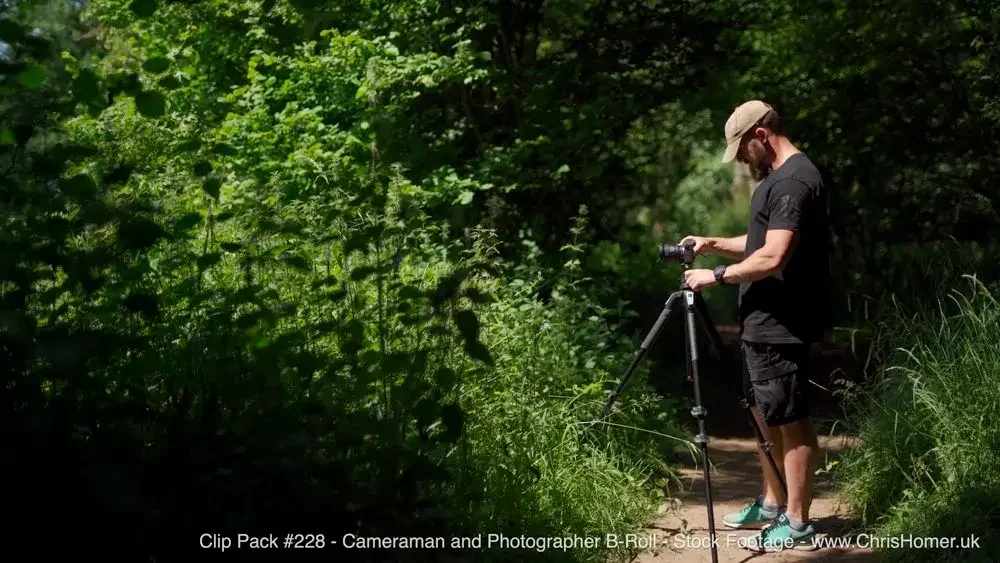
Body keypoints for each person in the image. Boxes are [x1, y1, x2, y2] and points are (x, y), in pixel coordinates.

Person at [679, 100, 832, 552]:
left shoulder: (794, 181)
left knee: (791, 420)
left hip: (782, 322)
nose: (743, 159)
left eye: (743, 148)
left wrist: (716, 275)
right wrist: (712, 243)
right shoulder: (777, 180)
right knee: (765, 416)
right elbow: (761, 241)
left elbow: (774, 255)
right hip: (762, 321)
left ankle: (797, 521)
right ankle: (771, 503)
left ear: (761, 135)